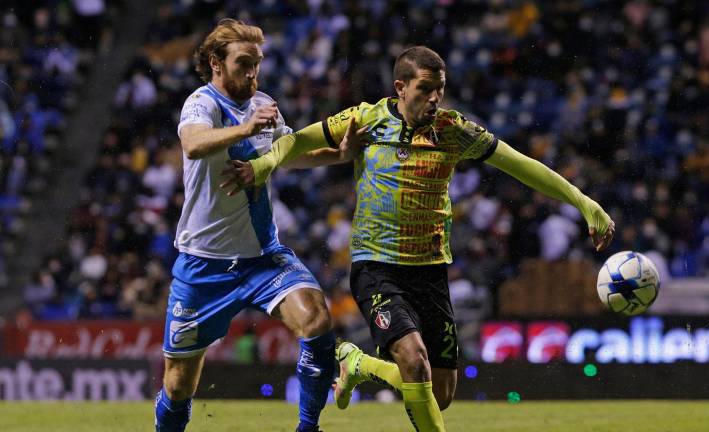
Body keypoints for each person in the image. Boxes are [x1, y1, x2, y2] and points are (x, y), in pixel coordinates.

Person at [221, 46, 615, 431]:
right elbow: (296, 140)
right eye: (425, 88)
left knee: (438, 394)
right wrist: (264, 164)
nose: (434, 98)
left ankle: (359, 364)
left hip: (430, 271)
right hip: (377, 266)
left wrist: (584, 202)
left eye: (439, 89)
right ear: (401, 87)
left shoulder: (453, 130)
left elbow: (521, 165)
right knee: (414, 361)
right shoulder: (368, 118)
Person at [154, 19, 362, 432]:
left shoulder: (264, 103)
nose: (253, 74)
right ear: (216, 63)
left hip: (263, 257)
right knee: (178, 385)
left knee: (316, 320)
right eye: (243, 64)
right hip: (204, 265)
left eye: (257, 64)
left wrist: (338, 155)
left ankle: (308, 428)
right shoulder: (201, 103)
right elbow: (193, 144)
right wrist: (246, 129)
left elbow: (287, 154)